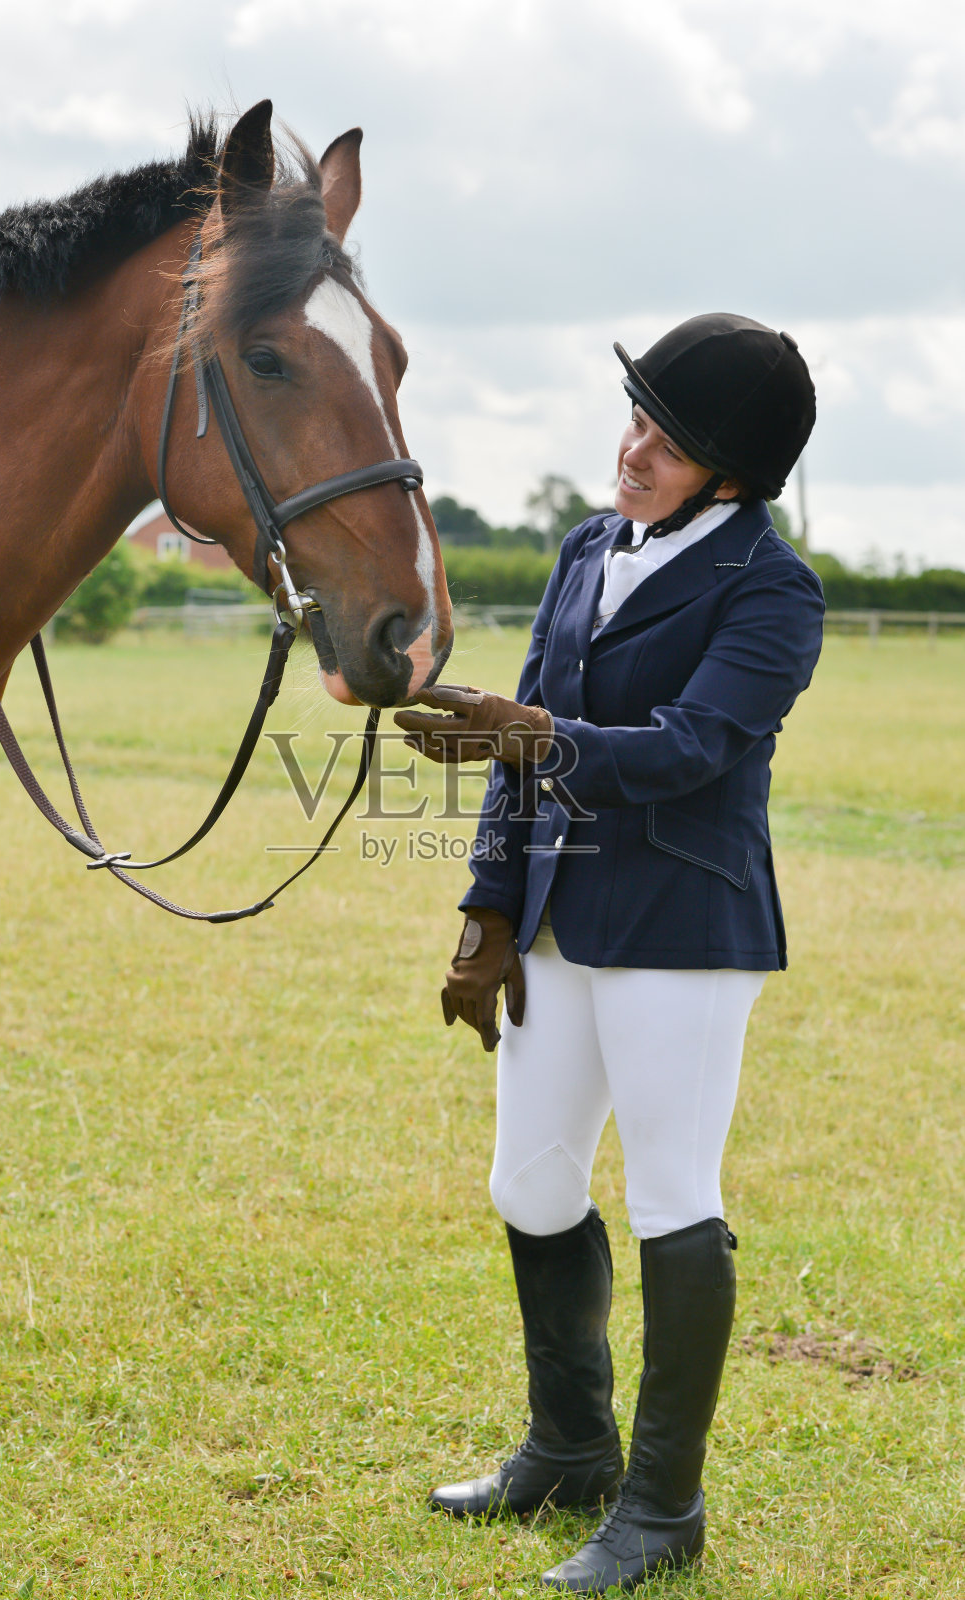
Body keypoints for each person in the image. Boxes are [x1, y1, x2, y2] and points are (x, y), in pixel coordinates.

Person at [394, 313, 824, 1593]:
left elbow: (692, 750)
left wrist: (533, 733)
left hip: (684, 934)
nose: (634, 447)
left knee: (672, 1196)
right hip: (558, 917)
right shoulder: (588, 548)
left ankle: (662, 1507)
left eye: (669, 438)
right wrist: (482, 911)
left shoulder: (771, 589)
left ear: (732, 475)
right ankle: (569, 1447)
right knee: (530, 1185)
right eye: (636, 415)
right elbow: (518, 736)